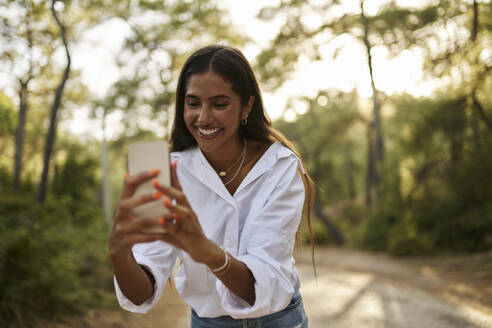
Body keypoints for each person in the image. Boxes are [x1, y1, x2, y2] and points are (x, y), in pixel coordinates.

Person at [108, 45, 314, 327]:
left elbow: (266, 280)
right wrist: (120, 256)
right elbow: (143, 291)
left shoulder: (279, 166)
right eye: (193, 103)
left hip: (280, 321)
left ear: (247, 106)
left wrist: (206, 250)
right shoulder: (166, 173)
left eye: (219, 104)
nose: (203, 118)